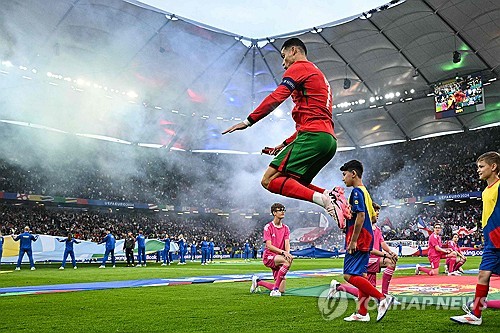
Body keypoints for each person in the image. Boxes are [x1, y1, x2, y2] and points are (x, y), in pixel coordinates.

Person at [222, 37, 350, 227]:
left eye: (283, 57)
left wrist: (248, 121)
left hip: (312, 136)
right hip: (327, 140)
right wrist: (282, 145)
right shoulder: (321, 77)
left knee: (268, 180)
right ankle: (329, 195)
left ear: (293, 51)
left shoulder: (300, 68)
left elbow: (277, 96)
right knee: (295, 183)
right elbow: (314, 119)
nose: (283, 64)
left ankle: (325, 201)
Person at [338, 160, 393, 322]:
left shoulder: (356, 192)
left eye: (344, 174)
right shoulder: (365, 192)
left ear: (353, 174)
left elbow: (361, 216)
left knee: (348, 275)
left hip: (359, 239)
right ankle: (362, 313)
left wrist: (353, 239)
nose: (343, 178)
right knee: (361, 275)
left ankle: (382, 298)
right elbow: (373, 217)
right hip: (367, 237)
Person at [451, 151, 500, 325]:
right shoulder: (486, 190)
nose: (478, 170)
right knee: (482, 275)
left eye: (481, 167)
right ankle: (475, 315)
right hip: (491, 243)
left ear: (493, 167)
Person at [329, 202, 399, 302]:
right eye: (375, 211)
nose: (377, 214)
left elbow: (382, 243)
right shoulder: (365, 228)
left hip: (374, 259)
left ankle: (338, 287)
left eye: (378, 212)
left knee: (368, 292)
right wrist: (386, 255)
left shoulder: (377, 229)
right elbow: (369, 248)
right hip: (367, 258)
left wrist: (391, 253)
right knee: (390, 262)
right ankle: (385, 295)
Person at [250, 203, 293, 297]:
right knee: (287, 261)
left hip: (279, 257)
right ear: (274, 213)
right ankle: (275, 290)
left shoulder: (286, 228)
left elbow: (287, 243)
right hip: (269, 256)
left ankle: (258, 282)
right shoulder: (268, 227)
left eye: (283, 209)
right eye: (280, 210)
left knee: (282, 290)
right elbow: (269, 246)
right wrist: (283, 253)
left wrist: (287, 253)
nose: (282, 211)